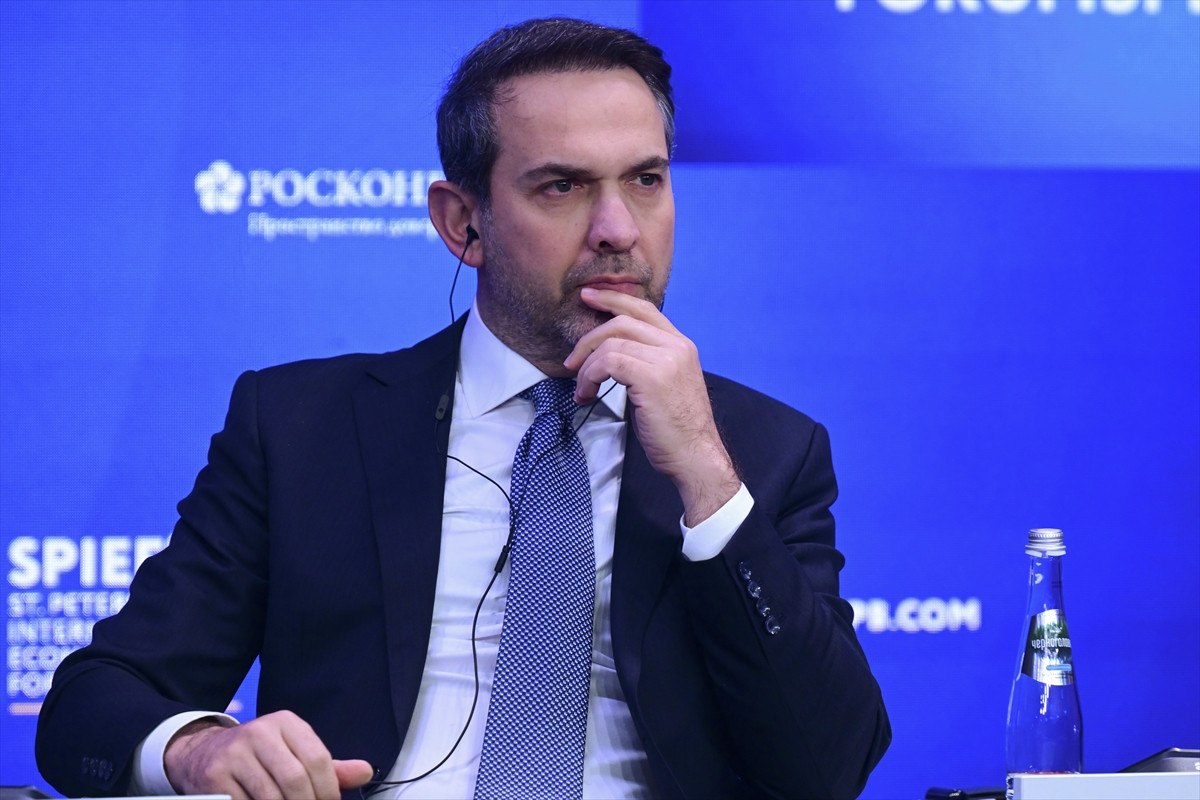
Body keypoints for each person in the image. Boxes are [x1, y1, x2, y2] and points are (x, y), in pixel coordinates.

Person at [36, 17, 890, 800]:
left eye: (646, 180)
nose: (618, 229)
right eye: (562, 186)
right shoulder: (301, 429)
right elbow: (92, 703)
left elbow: (829, 767)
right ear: (461, 223)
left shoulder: (761, 451)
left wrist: (704, 476)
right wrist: (197, 749)